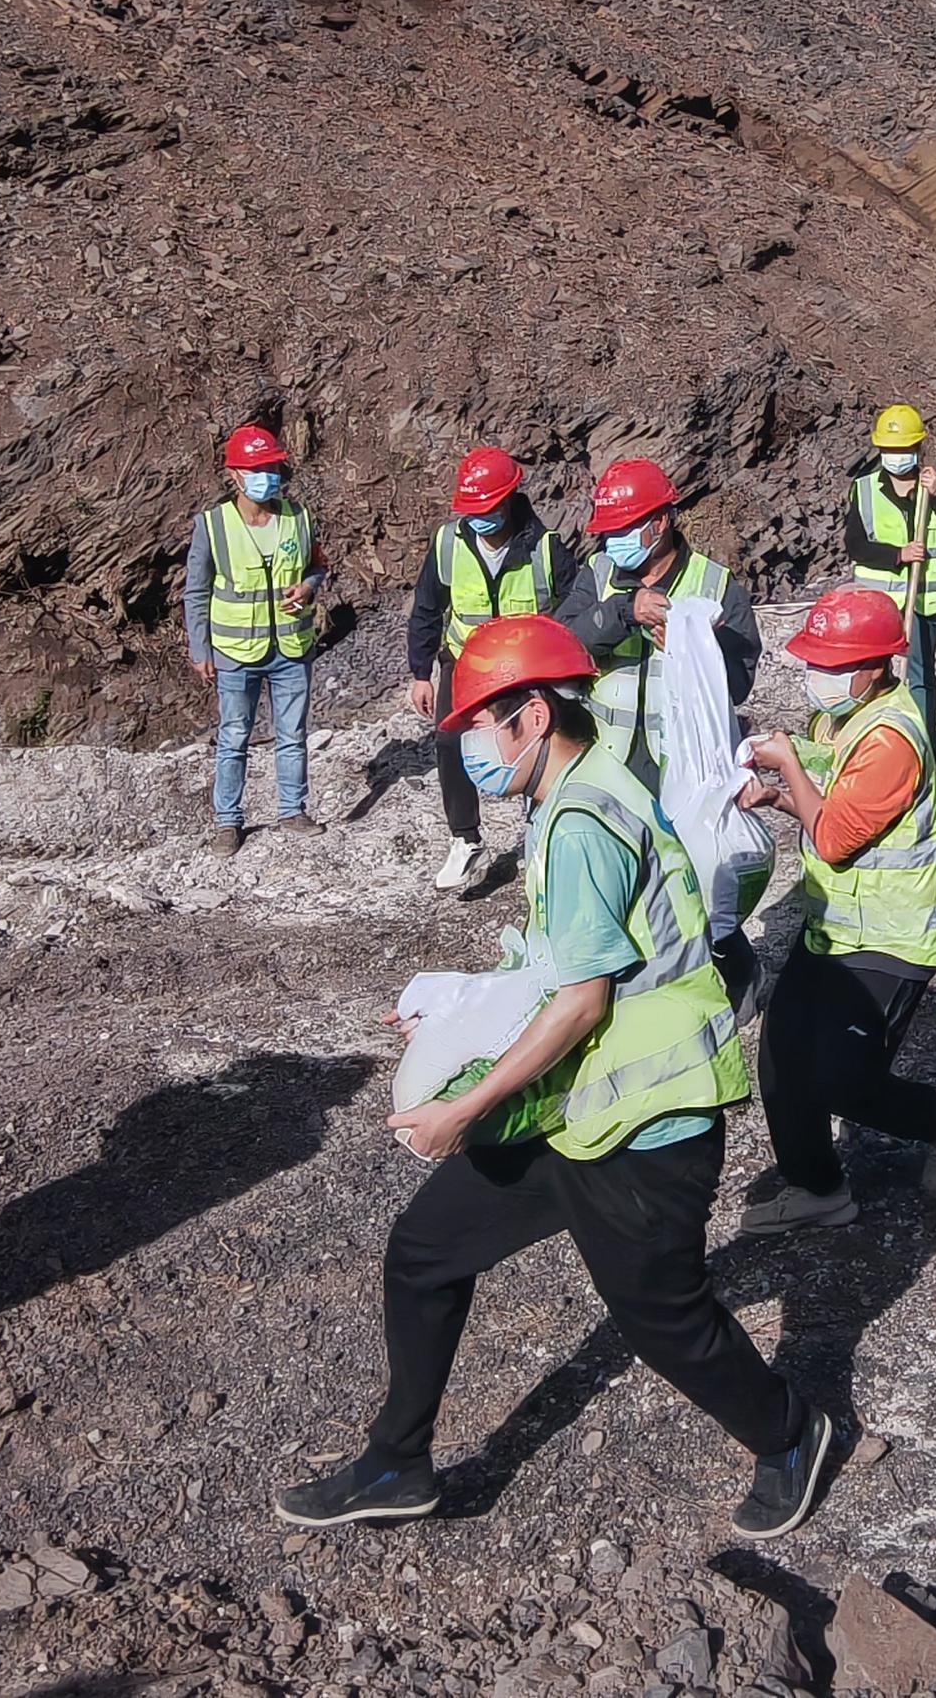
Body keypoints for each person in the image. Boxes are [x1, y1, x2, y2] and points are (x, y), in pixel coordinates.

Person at [276, 616, 829, 1539]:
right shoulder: (575, 785)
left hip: (646, 1119)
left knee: (661, 1320)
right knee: (425, 1252)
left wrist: (467, 1106)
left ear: (531, 715)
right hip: (576, 1101)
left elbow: (581, 1003)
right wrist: (456, 1002)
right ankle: (397, 1461)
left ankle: (789, 1432)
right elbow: (559, 962)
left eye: (481, 730)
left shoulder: (580, 818)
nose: (475, 757)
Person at [731, 591, 936, 1235]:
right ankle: (817, 1187)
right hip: (832, 926)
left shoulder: (893, 737)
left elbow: (835, 836)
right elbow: (827, 808)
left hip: (890, 939)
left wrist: (786, 764)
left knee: (842, 1080)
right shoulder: (839, 723)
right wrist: (775, 792)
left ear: (874, 668)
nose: (815, 676)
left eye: (829, 664)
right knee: (782, 1058)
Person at [405, 445, 581, 890]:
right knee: (449, 742)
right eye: (471, 510)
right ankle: (465, 839)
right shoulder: (448, 544)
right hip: (464, 659)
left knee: (539, 743)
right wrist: (420, 671)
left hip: (526, 667)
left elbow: (575, 606)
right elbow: (427, 608)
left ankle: (541, 825)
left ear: (508, 498)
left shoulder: (545, 547)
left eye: (487, 507)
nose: (479, 517)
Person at [557, 458, 759, 798]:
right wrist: (622, 612)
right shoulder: (598, 573)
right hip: (604, 758)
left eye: (624, 529)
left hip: (683, 767)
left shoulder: (717, 585)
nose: (613, 541)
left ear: (660, 521)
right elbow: (562, 646)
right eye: (609, 532)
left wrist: (692, 652)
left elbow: (738, 685)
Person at [186, 425, 322, 852]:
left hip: (291, 647)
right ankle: (228, 822)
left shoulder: (298, 517)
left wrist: (309, 587)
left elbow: (318, 567)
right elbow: (196, 590)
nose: (268, 475)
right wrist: (199, 647)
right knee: (233, 736)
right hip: (235, 651)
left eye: (273, 467)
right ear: (235, 475)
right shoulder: (213, 526)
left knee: (292, 734)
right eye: (258, 468)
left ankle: (292, 810)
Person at [842, 404, 936, 734]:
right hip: (878, 604)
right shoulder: (865, 488)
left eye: (903, 449)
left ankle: (919, 743)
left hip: (924, 601)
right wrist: (898, 554)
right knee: (872, 672)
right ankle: (872, 737)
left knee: (921, 675)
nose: (897, 455)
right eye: (890, 449)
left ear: (917, 448)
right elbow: (856, 546)